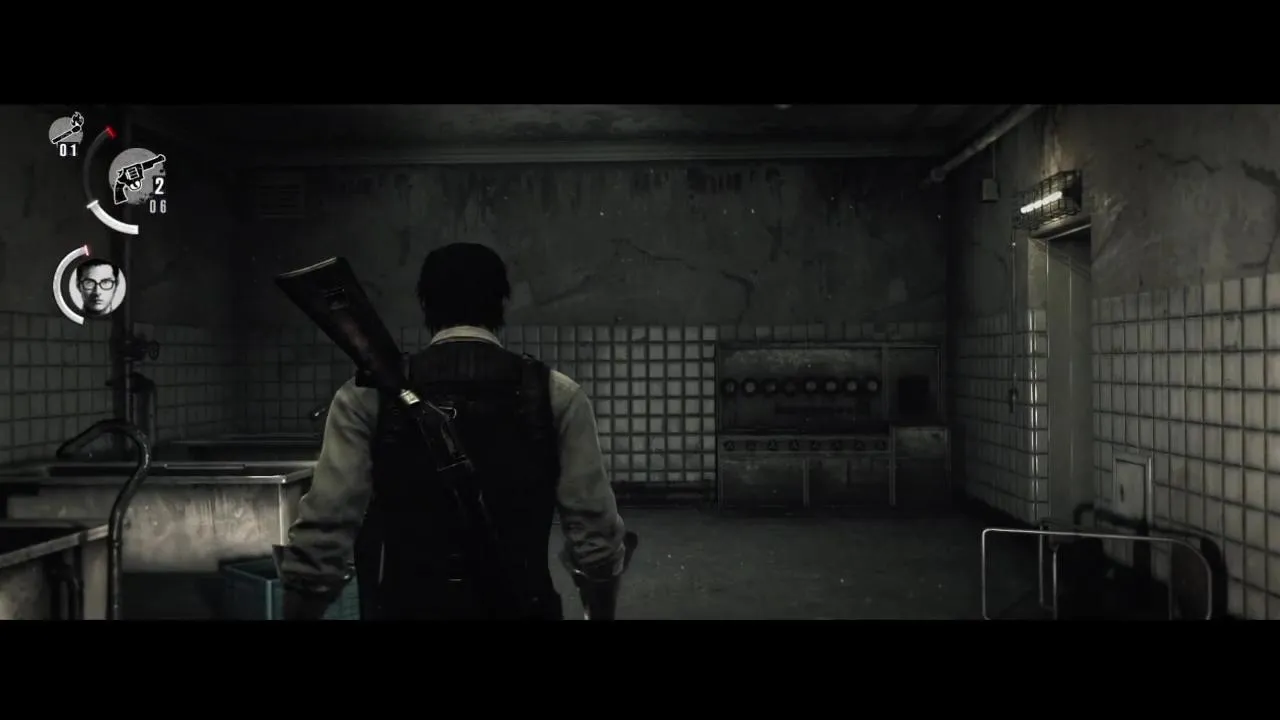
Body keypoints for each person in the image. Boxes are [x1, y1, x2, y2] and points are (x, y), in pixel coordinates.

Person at [276, 243, 628, 620]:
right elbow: (595, 534)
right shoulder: (557, 393)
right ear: (502, 302)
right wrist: (600, 610)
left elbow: (325, 529)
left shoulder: (366, 396)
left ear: (425, 304)